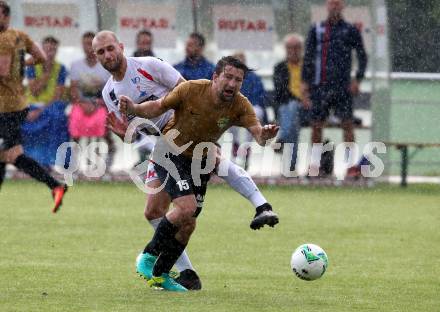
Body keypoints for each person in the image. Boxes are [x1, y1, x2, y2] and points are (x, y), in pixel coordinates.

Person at [92, 31, 278, 291]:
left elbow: (186, 93)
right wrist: (128, 135)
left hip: (184, 131)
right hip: (162, 145)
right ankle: (183, 272)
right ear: (96, 57)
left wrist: (197, 129)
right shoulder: (109, 93)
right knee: (158, 212)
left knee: (197, 190)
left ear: (121, 47)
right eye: (101, 52)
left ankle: (260, 207)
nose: (107, 55)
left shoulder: (149, 66)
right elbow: (137, 130)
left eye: (110, 48)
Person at [0, 1, 67, 212]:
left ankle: (55, 185)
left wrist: (12, 67)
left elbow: (2, 72)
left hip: (6, 107)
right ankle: (55, 186)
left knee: (12, 154)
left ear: (6, 16)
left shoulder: (3, 40)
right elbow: (40, 57)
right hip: (17, 104)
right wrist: (18, 66)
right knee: (6, 154)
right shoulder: (21, 36)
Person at [302, 0, 367, 176]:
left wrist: (357, 80)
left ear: (343, 6)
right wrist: (304, 84)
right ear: (327, 6)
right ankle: (315, 165)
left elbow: (362, 56)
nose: (334, 7)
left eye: (338, 4)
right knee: (316, 126)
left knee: (347, 125)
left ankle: (351, 166)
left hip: (342, 87)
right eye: (332, 4)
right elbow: (307, 57)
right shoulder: (316, 29)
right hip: (319, 87)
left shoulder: (350, 30)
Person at [22, 36, 69, 167]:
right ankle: (26, 160)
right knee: (18, 118)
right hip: (32, 104)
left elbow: (58, 95)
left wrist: (40, 111)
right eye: (47, 49)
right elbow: (34, 91)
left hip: (51, 106)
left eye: (53, 50)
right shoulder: (31, 66)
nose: (50, 53)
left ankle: (52, 162)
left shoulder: (61, 68)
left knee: (57, 117)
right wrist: (45, 75)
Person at [68, 32, 113, 169]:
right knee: (75, 119)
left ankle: (99, 163)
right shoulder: (76, 65)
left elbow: (109, 90)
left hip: (99, 105)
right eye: (85, 44)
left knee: (101, 121)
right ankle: (74, 162)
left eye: (90, 44)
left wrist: (95, 104)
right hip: (81, 105)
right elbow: (73, 90)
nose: (88, 47)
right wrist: (82, 103)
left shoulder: (106, 65)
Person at [273, 33, 307, 173]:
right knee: (293, 123)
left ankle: (282, 138)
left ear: (301, 49)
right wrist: (299, 99)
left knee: (292, 112)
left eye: (297, 47)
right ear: (285, 49)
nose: (293, 51)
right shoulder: (280, 67)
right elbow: (281, 91)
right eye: (290, 48)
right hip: (286, 107)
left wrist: (306, 99)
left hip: (307, 108)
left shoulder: (308, 66)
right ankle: (292, 166)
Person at [230, 51, 266, 169]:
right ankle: (236, 145)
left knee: (255, 113)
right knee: (230, 115)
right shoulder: (229, 78)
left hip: (251, 108)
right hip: (234, 109)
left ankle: (245, 148)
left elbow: (261, 98)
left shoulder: (253, 78)